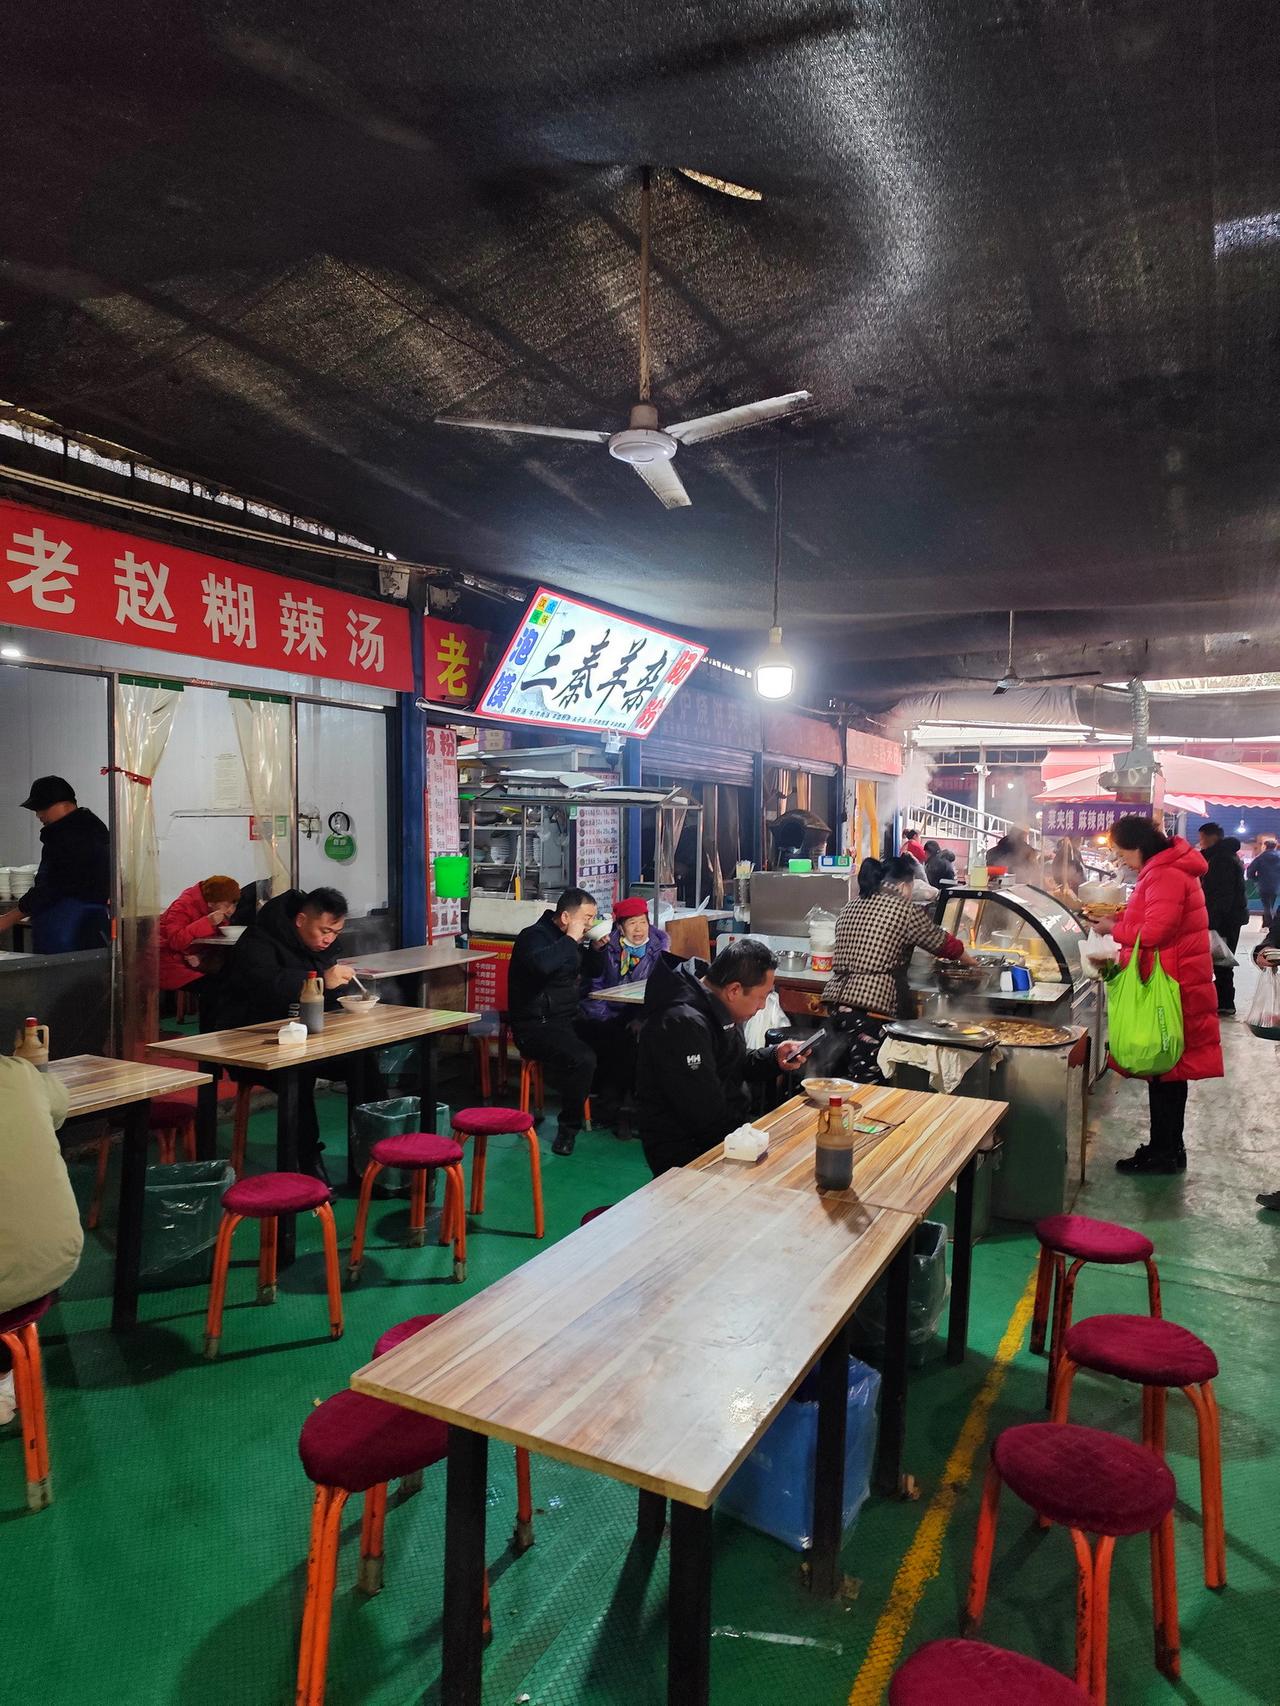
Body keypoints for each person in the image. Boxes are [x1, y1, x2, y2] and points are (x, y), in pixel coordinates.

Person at [1085, 816, 1221, 1175]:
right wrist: (1123, 919)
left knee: (1165, 1070)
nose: (1122, 861)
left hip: (1171, 984)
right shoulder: (1168, 867)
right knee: (1169, 1072)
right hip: (1177, 976)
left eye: (1123, 853)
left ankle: (1164, 1153)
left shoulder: (1165, 873)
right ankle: (1169, 1147)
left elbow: (1157, 931)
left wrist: (1113, 928)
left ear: (1139, 846)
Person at [211, 885, 355, 1176]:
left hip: (303, 1038)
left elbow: (325, 996)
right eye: (325, 930)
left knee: (363, 1063)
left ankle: (371, 1153)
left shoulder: (319, 948)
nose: (329, 939)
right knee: (298, 1075)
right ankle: (305, 1162)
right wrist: (320, 980)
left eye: (336, 933)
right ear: (301, 920)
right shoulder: (258, 941)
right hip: (251, 1041)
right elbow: (268, 985)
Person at [636, 938, 808, 1175]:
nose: (762, 1007)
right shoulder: (681, 1022)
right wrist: (750, 1150)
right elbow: (702, 1111)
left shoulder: (717, 1004)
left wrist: (774, 1057)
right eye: (762, 997)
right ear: (734, 990)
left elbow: (732, 1062)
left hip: (725, 1136)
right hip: (688, 1151)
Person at [821, 855, 974, 1079]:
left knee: (839, 1078)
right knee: (869, 1081)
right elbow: (943, 943)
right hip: (872, 1007)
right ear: (903, 886)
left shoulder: (851, 905)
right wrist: (973, 963)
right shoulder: (904, 909)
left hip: (836, 1002)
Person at [0, 1051, 79, 1424]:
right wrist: (31, 1066)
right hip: (49, 1262)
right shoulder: (21, 1074)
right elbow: (59, 1104)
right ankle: (6, 1378)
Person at [508, 887, 605, 1156]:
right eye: (587, 918)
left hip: (567, 1020)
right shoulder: (533, 937)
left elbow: (593, 971)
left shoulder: (571, 940)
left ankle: (609, 1110)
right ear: (565, 917)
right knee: (583, 1059)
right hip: (534, 1026)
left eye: (593, 918)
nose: (590, 924)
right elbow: (542, 966)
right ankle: (568, 1130)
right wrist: (572, 939)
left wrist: (596, 949)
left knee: (619, 1036)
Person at [579, 897, 669, 1116]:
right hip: (608, 1012)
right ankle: (614, 1105)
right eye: (632, 923)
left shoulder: (660, 949)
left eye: (643, 922)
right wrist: (606, 1018)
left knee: (638, 1039)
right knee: (614, 1038)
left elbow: (662, 991)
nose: (638, 929)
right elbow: (594, 987)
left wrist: (642, 1019)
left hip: (644, 1014)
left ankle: (629, 1103)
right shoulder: (606, 947)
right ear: (620, 927)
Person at [0, 776, 111, 952]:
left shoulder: (71, 836)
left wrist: (9, 918)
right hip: (83, 930)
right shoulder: (91, 828)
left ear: (63, 804)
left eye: (42, 808)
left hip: (68, 933)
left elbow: (52, 887)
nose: (38, 815)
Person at [157, 875, 241, 1001]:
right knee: (219, 987)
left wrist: (200, 957)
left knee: (236, 978)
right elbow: (176, 941)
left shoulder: (216, 912)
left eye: (233, 906)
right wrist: (207, 922)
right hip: (168, 963)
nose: (230, 911)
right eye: (226, 905)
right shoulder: (182, 906)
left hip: (196, 961)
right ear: (211, 902)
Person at [1197, 824, 1249, 1015]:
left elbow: (1222, 895)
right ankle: (1222, 1001)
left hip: (1225, 920)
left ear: (1212, 838)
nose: (1200, 842)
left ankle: (1225, 1003)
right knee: (1220, 960)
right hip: (1228, 918)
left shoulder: (1222, 860)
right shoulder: (1222, 856)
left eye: (1202, 838)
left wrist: (1212, 923)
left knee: (1222, 961)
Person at [1247, 838, 1280, 930]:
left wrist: (1256, 879)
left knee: (1266, 905)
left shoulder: (1260, 858)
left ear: (1265, 846)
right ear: (1275, 846)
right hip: (1276, 885)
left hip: (1263, 884)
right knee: (1271, 904)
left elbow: (1250, 871)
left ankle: (1267, 924)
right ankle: (1269, 924)